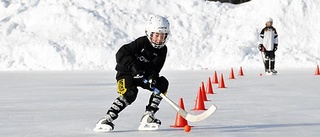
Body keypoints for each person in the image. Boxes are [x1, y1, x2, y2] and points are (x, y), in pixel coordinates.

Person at [94, 15, 170, 132]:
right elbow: (121, 54)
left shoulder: (163, 50)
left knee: (162, 83)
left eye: (163, 35)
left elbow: (155, 69)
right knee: (130, 93)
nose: (160, 39)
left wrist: (152, 78)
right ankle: (107, 118)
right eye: (157, 35)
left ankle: (148, 116)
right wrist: (134, 68)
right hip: (126, 74)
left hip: (143, 77)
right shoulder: (141, 43)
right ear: (149, 33)